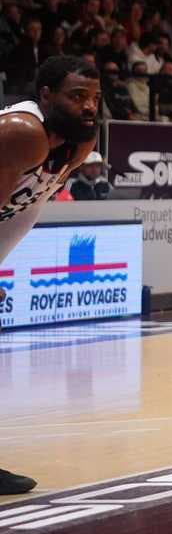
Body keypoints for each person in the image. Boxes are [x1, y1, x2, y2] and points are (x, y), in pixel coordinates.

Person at [0, 55, 101, 494]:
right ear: (46, 95)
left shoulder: (75, 146)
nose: (89, 106)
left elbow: (25, 210)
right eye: (77, 96)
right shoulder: (23, 135)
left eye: (95, 98)